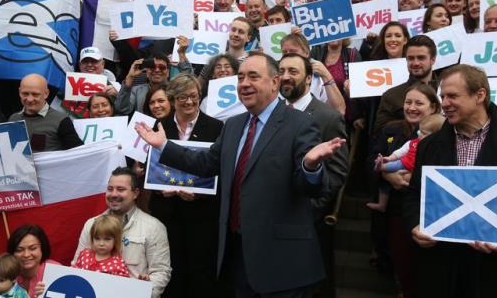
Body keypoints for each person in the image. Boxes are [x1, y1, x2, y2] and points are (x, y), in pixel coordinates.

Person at [135, 52, 345, 297]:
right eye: (241, 77)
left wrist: (310, 167)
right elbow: (206, 163)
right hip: (235, 256)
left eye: (253, 77)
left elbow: (313, 189)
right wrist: (163, 146)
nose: (244, 83)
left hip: (281, 263)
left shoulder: (300, 124)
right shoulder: (234, 125)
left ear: (275, 82)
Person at [403, 64, 497, 298]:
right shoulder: (430, 145)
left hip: (494, 273)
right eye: (442, 97)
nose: (445, 103)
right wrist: (414, 226)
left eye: (453, 96)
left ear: (479, 95)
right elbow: (413, 196)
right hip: (442, 269)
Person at [279, 53, 349, 298]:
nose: (286, 77)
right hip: (275, 219)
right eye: (282, 71)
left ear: (309, 79)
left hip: (311, 222)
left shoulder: (327, 117)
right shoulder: (271, 114)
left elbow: (338, 171)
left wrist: (312, 208)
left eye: (293, 72)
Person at [149, 74, 223, 298]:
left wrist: (200, 195)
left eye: (194, 96)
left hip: (201, 215)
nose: (189, 102)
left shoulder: (216, 127)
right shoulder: (159, 125)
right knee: (171, 269)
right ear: (173, 99)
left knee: (200, 271)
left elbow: (220, 170)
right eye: (183, 97)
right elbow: (150, 165)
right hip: (167, 212)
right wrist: (159, 189)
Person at [371, 83, 441, 298]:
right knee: (401, 261)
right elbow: (372, 159)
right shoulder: (391, 129)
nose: (411, 107)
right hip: (397, 210)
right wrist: (386, 173)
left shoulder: (444, 133)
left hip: (430, 213)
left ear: (433, 107)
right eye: (408, 102)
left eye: (419, 103)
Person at [73, 167, 171, 298]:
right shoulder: (91, 224)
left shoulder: (154, 227)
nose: (113, 194)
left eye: (120, 189)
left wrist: (142, 293)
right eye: (110, 189)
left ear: (135, 193)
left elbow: (161, 272)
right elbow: (76, 266)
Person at [369, 113, 445, 212]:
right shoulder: (411, 141)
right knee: (390, 172)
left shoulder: (438, 150)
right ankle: (381, 168)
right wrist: (389, 160)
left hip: (417, 195)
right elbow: (400, 152)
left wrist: (409, 178)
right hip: (404, 164)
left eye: (424, 133)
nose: (419, 134)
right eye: (408, 102)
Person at [374, 35, 437, 135]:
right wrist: (412, 120)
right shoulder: (391, 96)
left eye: (421, 58)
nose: (415, 63)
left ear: (432, 59)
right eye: (411, 58)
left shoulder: (446, 91)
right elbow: (379, 133)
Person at [9, 74, 83, 152]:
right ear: (19, 92)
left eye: (35, 94)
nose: (30, 99)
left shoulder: (61, 121)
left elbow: (78, 154)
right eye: (25, 94)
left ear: (46, 93)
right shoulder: (13, 119)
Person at [7, 224, 60, 298]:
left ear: (42, 248)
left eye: (32, 248)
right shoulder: (7, 272)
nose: (26, 254)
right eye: (19, 250)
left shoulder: (56, 271)